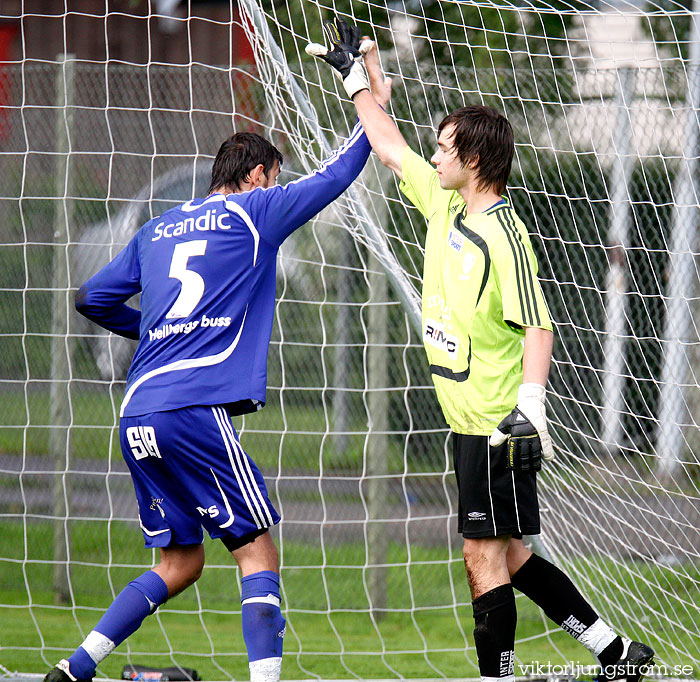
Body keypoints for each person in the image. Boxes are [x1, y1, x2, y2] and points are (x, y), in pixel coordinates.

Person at [308, 17, 655, 682]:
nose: (434, 157)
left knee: (481, 557)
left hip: (496, 424)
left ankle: (496, 677)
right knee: (510, 556)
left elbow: (539, 325)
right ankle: (617, 654)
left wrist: (531, 408)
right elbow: (386, 148)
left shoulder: (506, 235)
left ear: (473, 162)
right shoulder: (445, 209)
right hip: (467, 421)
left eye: (444, 149)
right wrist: (361, 84)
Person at [44, 47, 386, 682]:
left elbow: (91, 298)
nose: (278, 187)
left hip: (138, 411)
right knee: (256, 550)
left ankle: (76, 666)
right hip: (194, 409)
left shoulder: (158, 228)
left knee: (179, 563)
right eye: (276, 177)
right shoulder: (256, 213)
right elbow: (340, 174)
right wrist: (372, 103)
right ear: (257, 175)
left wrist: (150, 332)